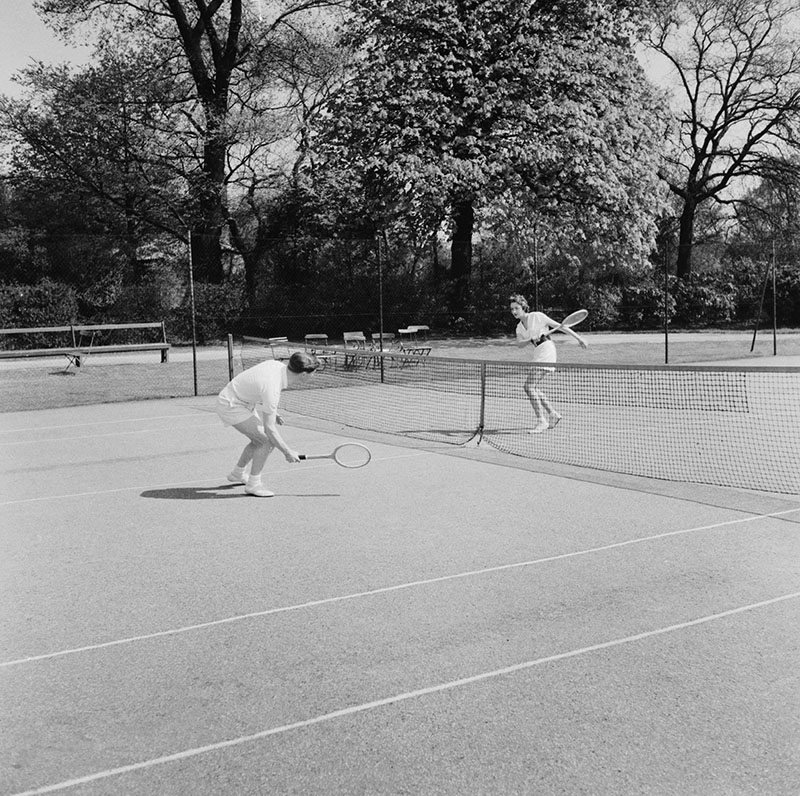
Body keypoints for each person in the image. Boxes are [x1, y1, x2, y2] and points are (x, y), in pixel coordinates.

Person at [216, 351, 320, 497]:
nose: (313, 375)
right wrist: (287, 452)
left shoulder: (277, 366)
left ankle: (237, 474)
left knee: (257, 440)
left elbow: (256, 384)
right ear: (303, 374)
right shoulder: (272, 387)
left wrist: (271, 411)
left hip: (242, 399)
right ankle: (253, 485)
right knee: (265, 441)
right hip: (231, 404)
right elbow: (270, 429)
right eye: (313, 373)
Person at [509, 294, 588, 433]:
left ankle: (542, 421)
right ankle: (553, 414)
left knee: (528, 387)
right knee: (532, 387)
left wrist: (579, 338)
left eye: (517, 308)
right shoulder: (519, 327)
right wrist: (530, 339)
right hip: (537, 351)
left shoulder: (537, 316)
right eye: (512, 309)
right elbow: (519, 344)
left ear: (523, 307)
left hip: (547, 349)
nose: (514, 311)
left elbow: (561, 326)